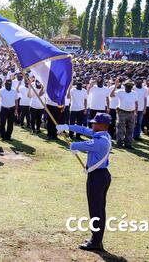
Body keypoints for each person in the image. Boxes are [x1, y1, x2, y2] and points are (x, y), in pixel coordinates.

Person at [57, 113, 112, 253]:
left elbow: (81, 144)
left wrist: (73, 145)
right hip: (100, 176)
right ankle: (97, 239)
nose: (92, 125)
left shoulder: (101, 141)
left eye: (95, 123)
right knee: (99, 209)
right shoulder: (102, 135)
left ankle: (95, 242)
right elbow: (83, 130)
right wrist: (67, 126)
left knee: (96, 210)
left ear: (103, 125)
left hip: (97, 178)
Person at [110, 80, 138, 149]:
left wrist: (136, 112)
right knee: (120, 129)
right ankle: (119, 143)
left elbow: (136, 103)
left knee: (130, 129)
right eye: (128, 85)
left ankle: (128, 144)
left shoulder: (134, 93)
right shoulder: (120, 91)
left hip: (131, 112)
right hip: (122, 112)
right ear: (125, 86)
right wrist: (115, 87)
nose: (129, 87)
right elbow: (111, 95)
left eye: (130, 86)